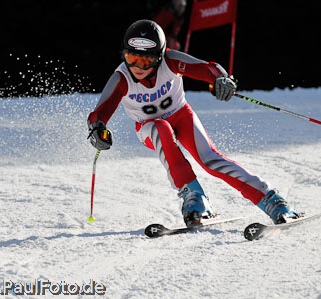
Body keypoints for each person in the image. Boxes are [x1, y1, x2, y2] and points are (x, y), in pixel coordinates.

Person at [87, 19, 301, 227]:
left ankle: (272, 201)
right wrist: (98, 129)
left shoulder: (170, 61)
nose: (136, 67)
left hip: (181, 116)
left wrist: (221, 79)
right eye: (130, 57)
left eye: (145, 61)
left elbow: (207, 68)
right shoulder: (121, 78)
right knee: (160, 128)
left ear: (158, 57)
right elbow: (99, 113)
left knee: (211, 160)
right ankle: (195, 198)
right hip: (148, 127)